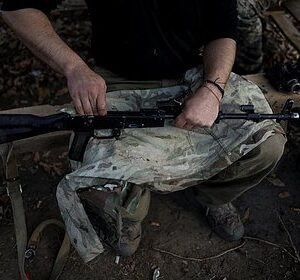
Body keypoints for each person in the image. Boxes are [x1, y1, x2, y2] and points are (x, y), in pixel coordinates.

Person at [1, 0, 286, 262]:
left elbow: (222, 31)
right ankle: (126, 214)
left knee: (266, 144)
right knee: (102, 167)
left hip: (191, 76)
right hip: (117, 81)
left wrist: (212, 89)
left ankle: (212, 196)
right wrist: (74, 67)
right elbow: (16, 7)